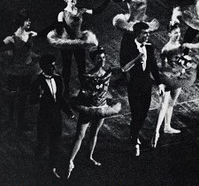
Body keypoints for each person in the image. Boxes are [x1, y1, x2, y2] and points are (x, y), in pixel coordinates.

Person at [151, 21, 199, 147]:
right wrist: (177, 69)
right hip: (168, 78)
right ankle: (156, 132)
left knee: (172, 103)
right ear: (169, 34)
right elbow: (163, 67)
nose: (178, 35)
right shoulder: (166, 49)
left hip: (178, 76)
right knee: (163, 105)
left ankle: (167, 126)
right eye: (175, 33)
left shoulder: (180, 44)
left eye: (179, 32)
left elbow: (191, 45)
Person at [67, 46, 121, 178]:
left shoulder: (107, 72)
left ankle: (89, 157)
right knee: (80, 135)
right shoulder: (88, 76)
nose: (102, 60)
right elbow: (82, 93)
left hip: (101, 108)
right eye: (98, 58)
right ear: (93, 60)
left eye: (103, 57)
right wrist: (87, 94)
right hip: (88, 108)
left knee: (94, 134)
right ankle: (70, 161)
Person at [47, 0, 110, 96]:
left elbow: (97, 11)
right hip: (67, 44)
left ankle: (83, 89)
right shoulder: (62, 14)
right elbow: (59, 28)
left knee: (82, 67)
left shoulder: (81, 10)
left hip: (79, 43)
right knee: (67, 67)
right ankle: (65, 89)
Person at [121, 22, 163, 156]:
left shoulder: (149, 48)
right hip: (134, 86)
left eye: (148, 33)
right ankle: (134, 140)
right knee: (136, 113)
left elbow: (154, 67)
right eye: (145, 33)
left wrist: (159, 83)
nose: (147, 35)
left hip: (146, 86)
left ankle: (134, 133)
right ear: (137, 34)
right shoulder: (128, 47)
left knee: (144, 113)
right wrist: (136, 59)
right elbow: (123, 68)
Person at [30, 54, 74, 178]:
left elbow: (59, 99)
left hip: (56, 118)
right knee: (42, 144)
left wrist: (68, 112)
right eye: (51, 66)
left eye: (54, 66)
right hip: (44, 118)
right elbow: (31, 102)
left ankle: (52, 168)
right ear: (44, 67)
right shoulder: (37, 82)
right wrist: (38, 96)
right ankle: (37, 169)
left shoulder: (58, 79)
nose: (53, 69)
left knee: (55, 144)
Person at [111, 0, 162, 82]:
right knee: (124, 49)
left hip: (142, 24)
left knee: (145, 49)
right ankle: (124, 75)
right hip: (130, 25)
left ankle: (146, 72)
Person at [0, 10, 42, 130]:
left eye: (29, 20)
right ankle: (9, 121)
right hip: (14, 70)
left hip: (27, 70)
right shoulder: (10, 38)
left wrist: (36, 56)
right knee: (12, 97)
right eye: (27, 20)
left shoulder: (31, 34)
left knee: (23, 97)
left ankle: (20, 123)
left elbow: (28, 53)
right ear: (20, 22)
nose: (29, 22)